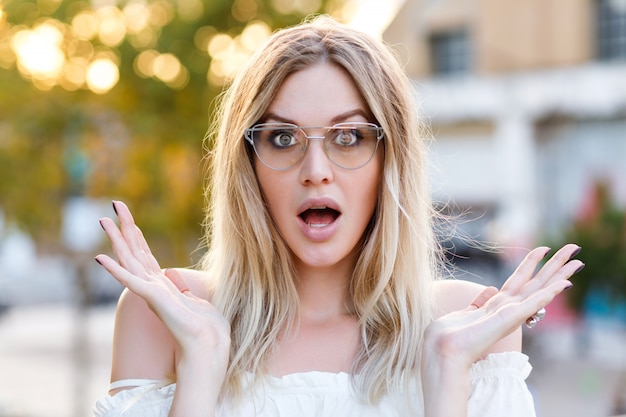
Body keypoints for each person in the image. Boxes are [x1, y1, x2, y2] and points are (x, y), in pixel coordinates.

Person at [92, 15, 583, 417]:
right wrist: (201, 366)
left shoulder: (467, 322)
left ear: (391, 159)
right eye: (282, 138)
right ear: (247, 164)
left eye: (349, 137)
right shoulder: (166, 314)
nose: (316, 172)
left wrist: (446, 366)